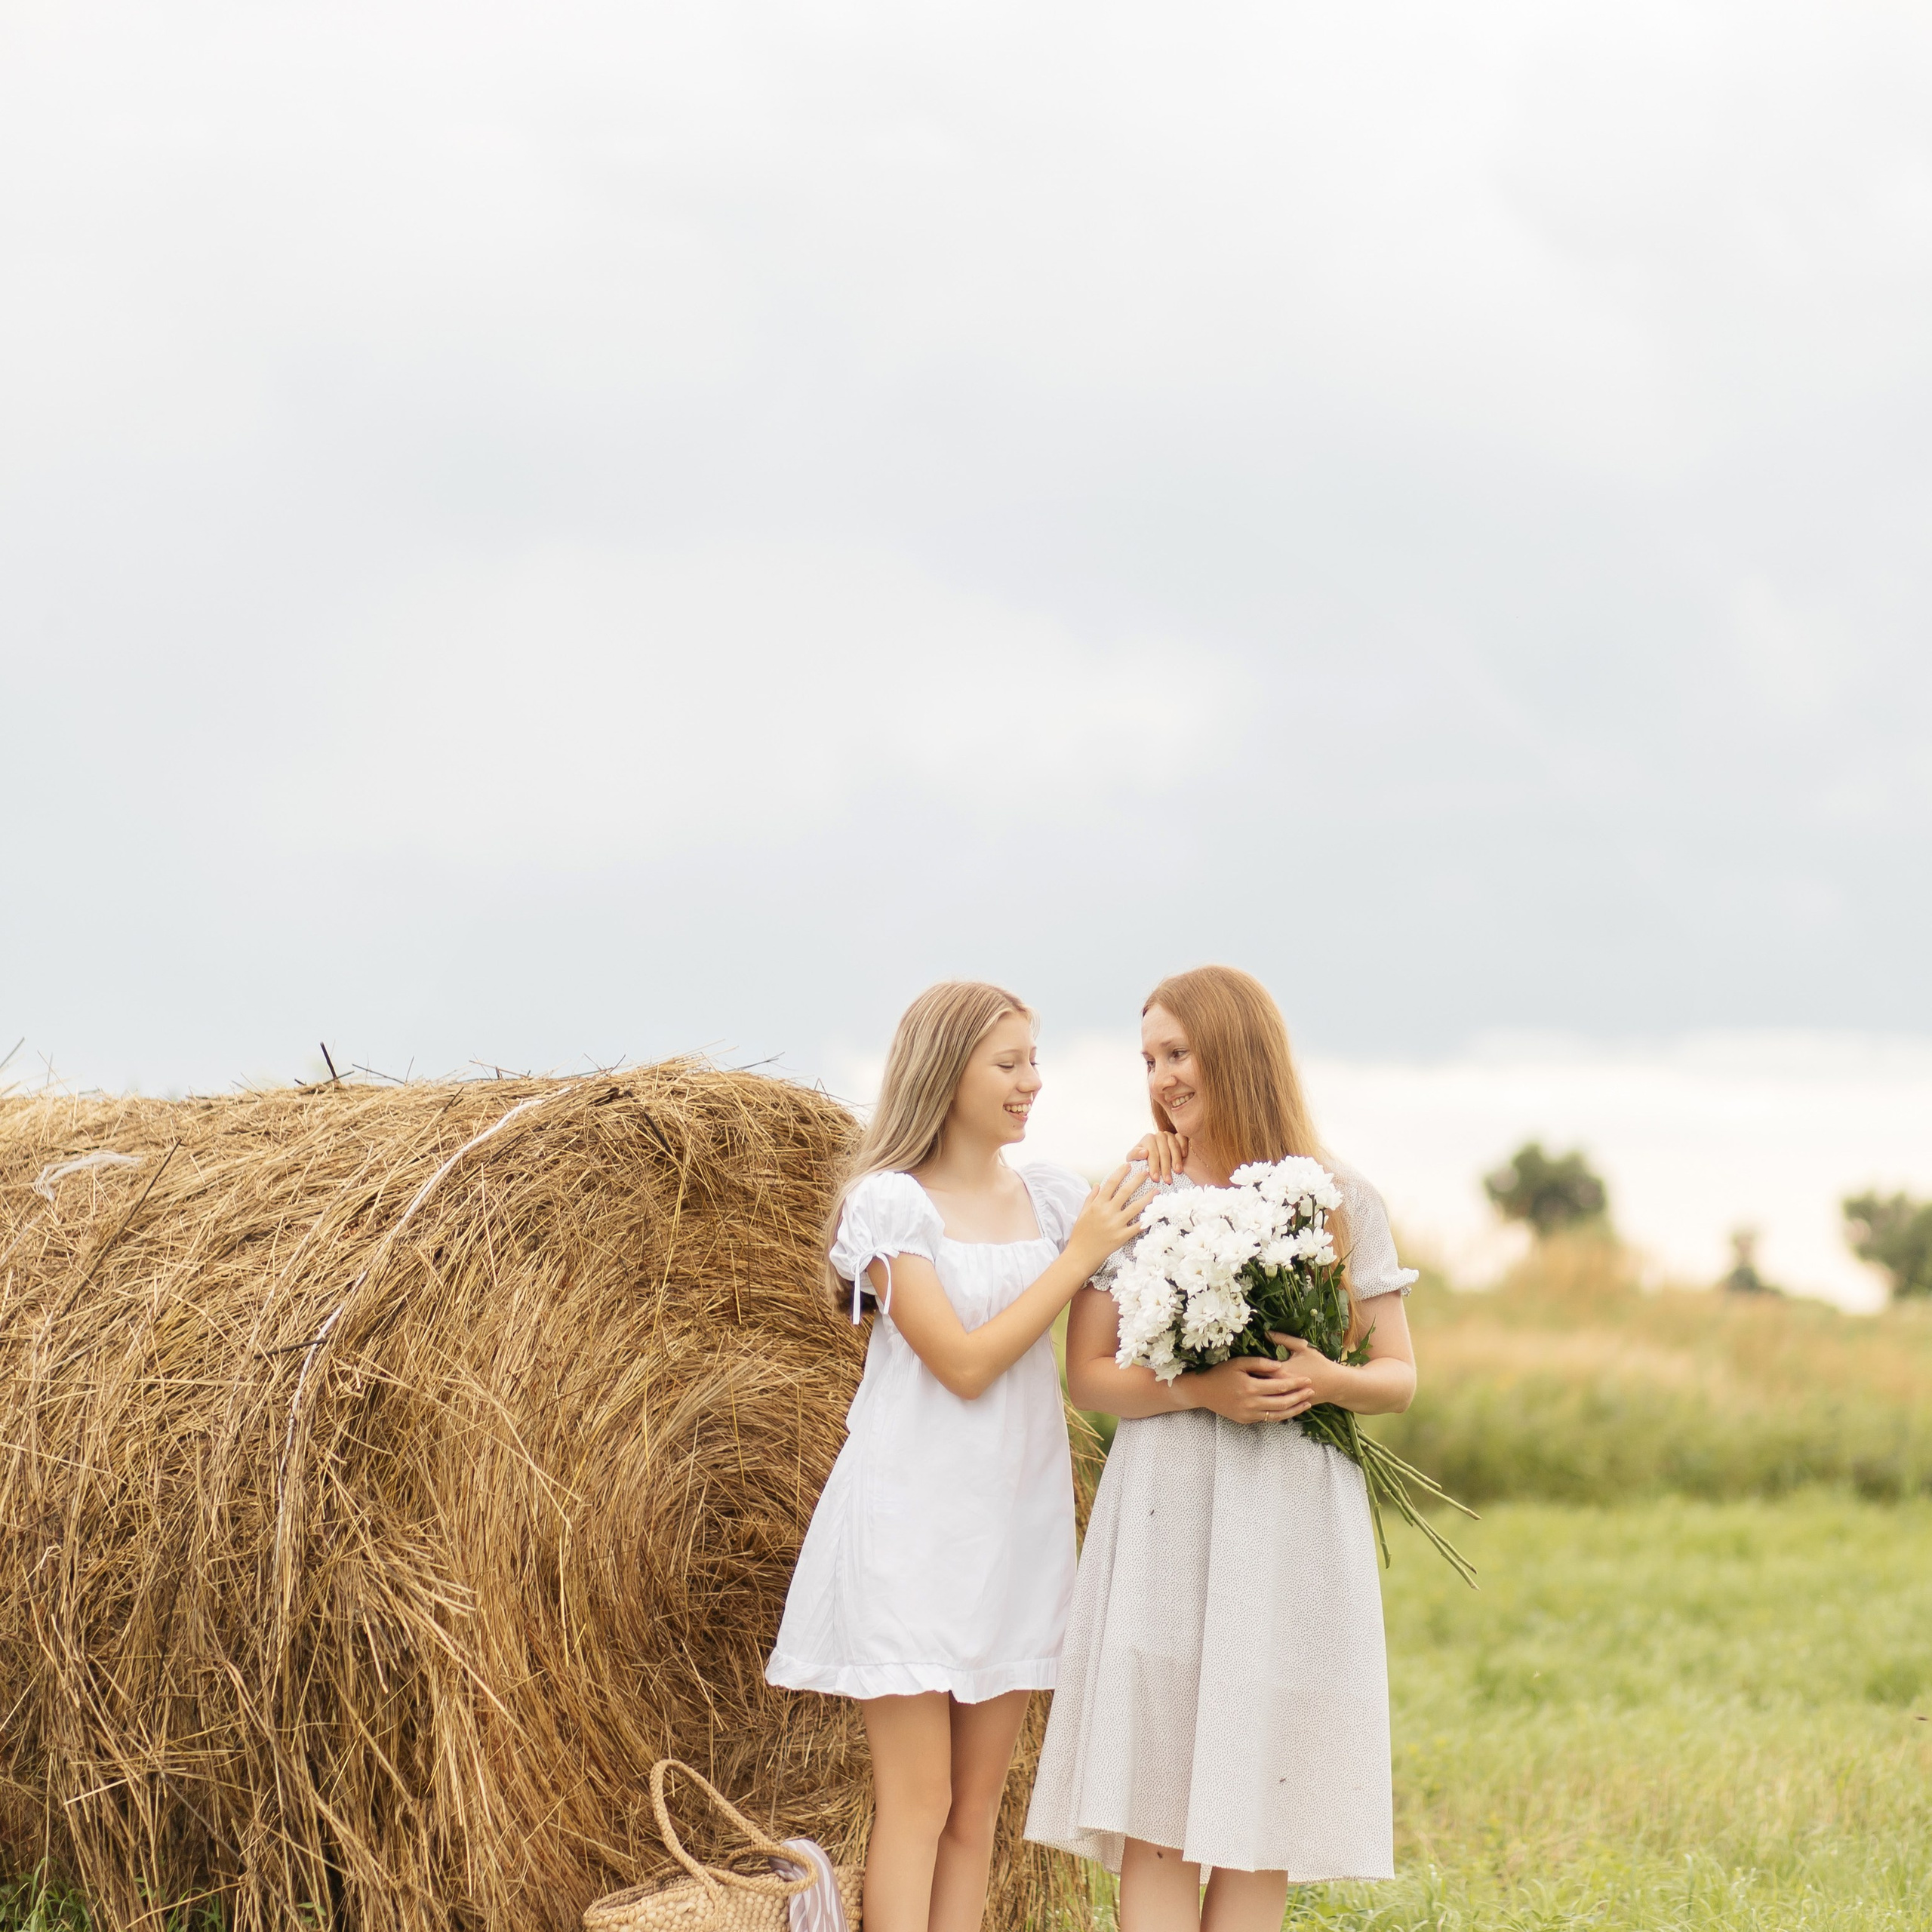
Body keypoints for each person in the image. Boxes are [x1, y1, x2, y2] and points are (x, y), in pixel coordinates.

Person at [1025, 964, 1420, 1932]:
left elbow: (1398, 1375)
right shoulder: (1134, 1194)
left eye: (1178, 1052)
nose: (1160, 1077)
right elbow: (1089, 1376)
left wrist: (1326, 1378)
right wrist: (1198, 1387)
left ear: (1236, 1053)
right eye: (1149, 1058)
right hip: (1168, 1504)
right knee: (1156, 1798)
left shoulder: (1337, 1197)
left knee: (1257, 1801)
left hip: (1289, 1515)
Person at [766, 980, 1145, 1932]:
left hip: (1014, 1524)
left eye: (1034, 1060)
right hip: (910, 1525)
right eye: (1008, 1062)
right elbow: (965, 1363)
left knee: (978, 1810)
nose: (1032, 1082)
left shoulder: (1055, 1198)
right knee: (920, 1802)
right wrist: (1074, 1256)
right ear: (948, 1072)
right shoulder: (891, 1206)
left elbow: (1108, 1312)